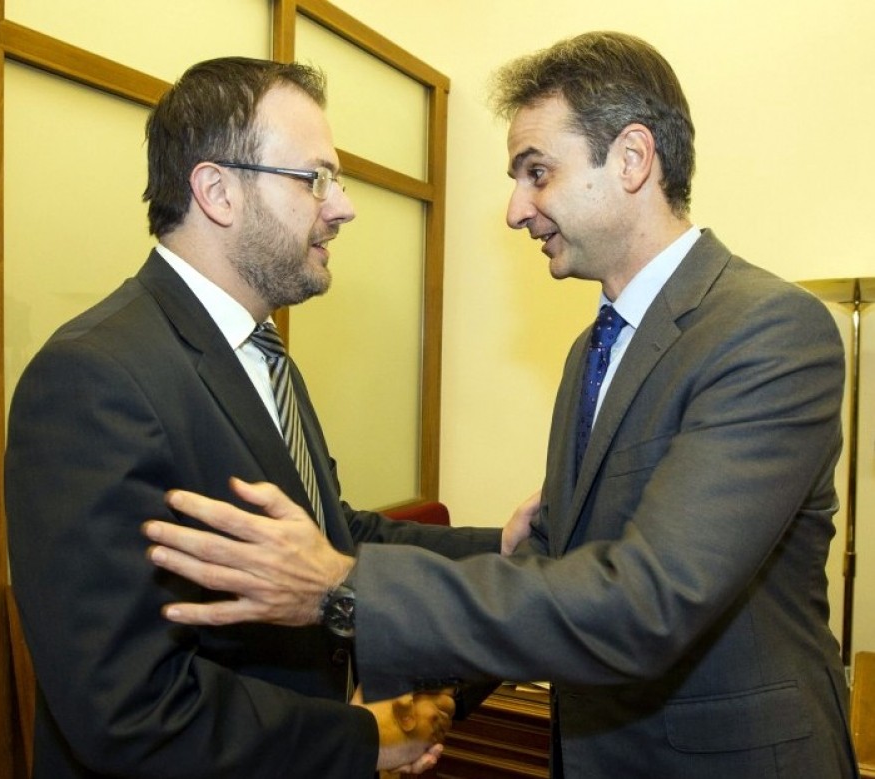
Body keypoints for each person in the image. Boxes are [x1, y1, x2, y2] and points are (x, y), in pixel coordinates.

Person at [141, 32, 861, 778]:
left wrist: (340, 588)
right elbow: (559, 573)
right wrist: (430, 707)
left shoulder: (767, 330)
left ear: (632, 159)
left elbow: (650, 602)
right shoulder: (593, 350)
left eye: (537, 173)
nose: (517, 210)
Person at [5, 56, 532, 779]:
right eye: (315, 178)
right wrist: (362, 737)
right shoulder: (93, 376)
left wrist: (500, 545)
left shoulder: (260, 352)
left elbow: (332, 534)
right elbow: (125, 709)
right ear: (217, 191)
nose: (342, 206)